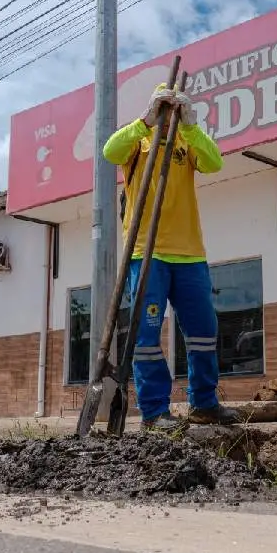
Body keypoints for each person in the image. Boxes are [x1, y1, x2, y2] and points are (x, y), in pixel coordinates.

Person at [102, 83, 241, 430]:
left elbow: (214, 162)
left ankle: (204, 404)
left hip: (190, 254)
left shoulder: (186, 142)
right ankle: (154, 413)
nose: (169, 117)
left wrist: (192, 124)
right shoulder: (139, 142)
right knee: (146, 336)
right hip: (146, 253)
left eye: (174, 110)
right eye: (164, 110)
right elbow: (109, 151)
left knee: (203, 331)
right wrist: (144, 120)